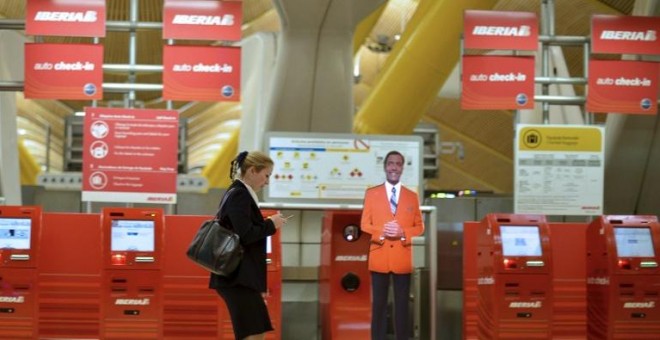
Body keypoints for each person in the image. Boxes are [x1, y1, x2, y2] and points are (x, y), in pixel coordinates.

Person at [209, 150, 288, 340]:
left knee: (257, 329)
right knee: (251, 332)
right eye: (266, 175)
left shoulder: (241, 194)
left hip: (242, 278)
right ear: (252, 171)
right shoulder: (240, 195)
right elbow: (245, 234)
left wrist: (268, 223)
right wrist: (271, 224)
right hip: (237, 278)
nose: (267, 182)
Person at [360, 150, 425, 340]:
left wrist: (403, 233)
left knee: (403, 306)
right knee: (378, 305)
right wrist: (383, 232)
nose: (394, 167)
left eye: (398, 164)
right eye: (390, 163)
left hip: (402, 259)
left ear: (402, 168)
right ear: (385, 167)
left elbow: (420, 227)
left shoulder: (412, 196)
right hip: (379, 256)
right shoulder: (372, 194)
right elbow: (364, 224)